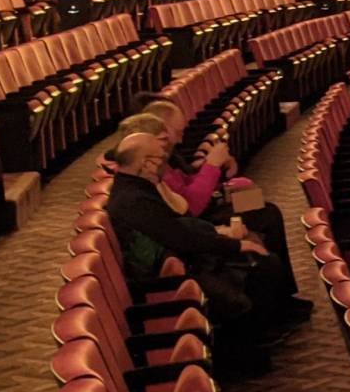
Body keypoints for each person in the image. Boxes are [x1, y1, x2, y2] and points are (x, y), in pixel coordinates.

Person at [102, 131, 306, 338]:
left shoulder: (139, 184)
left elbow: (180, 220)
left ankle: (281, 309)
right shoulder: (135, 198)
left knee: (265, 220)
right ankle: (263, 333)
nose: (167, 157)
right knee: (262, 259)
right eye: (161, 156)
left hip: (192, 234)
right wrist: (232, 243)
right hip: (186, 249)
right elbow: (183, 227)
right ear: (146, 164)